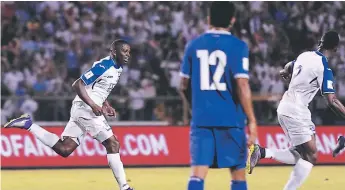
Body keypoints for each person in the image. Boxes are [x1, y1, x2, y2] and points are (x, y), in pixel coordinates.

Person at [3, 39, 134, 190]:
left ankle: (28, 124)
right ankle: (124, 187)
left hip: (84, 109)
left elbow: (97, 88)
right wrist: (93, 105)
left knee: (65, 149)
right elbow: (77, 84)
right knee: (113, 143)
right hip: (85, 109)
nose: (128, 54)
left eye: (129, 51)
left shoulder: (118, 68)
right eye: (124, 51)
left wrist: (106, 104)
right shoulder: (104, 66)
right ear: (114, 52)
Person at [247, 31, 345, 190]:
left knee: (302, 154)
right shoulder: (324, 67)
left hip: (285, 107)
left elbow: (289, 66)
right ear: (335, 49)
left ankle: (263, 152)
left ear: (320, 41)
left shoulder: (304, 56)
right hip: (296, 111)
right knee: (312, 156)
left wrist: (285, 72)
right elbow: (332, 100)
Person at [179, 2, 257, 190]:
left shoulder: (193, 45)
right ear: (232, 20)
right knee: (238, 175)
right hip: (232, 119)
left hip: (202, 119)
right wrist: (252, 120)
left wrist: (194, 107)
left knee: (197, 174)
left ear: (208, 19)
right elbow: (242, 84)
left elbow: (183, 85)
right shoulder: (238, 46)